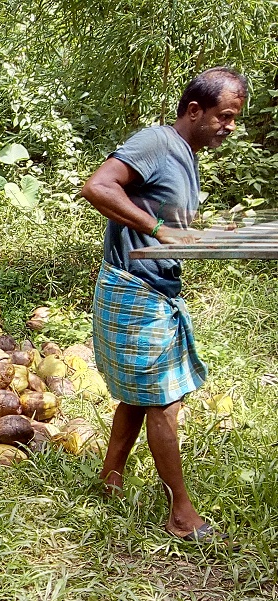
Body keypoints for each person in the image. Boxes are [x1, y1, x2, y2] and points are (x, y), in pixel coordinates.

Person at [80, 67, 247, 543]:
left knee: (138, 395)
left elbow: (165, 224)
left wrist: (206, 236)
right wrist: (159, 231)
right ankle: (181, 510)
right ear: (194, 110)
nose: (230, 127)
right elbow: (98, 187)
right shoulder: (156, 141)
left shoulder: (185, 155)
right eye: (225, 116)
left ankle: (109, 480)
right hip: (135, 290)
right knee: (164, 402)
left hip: (153, 290)